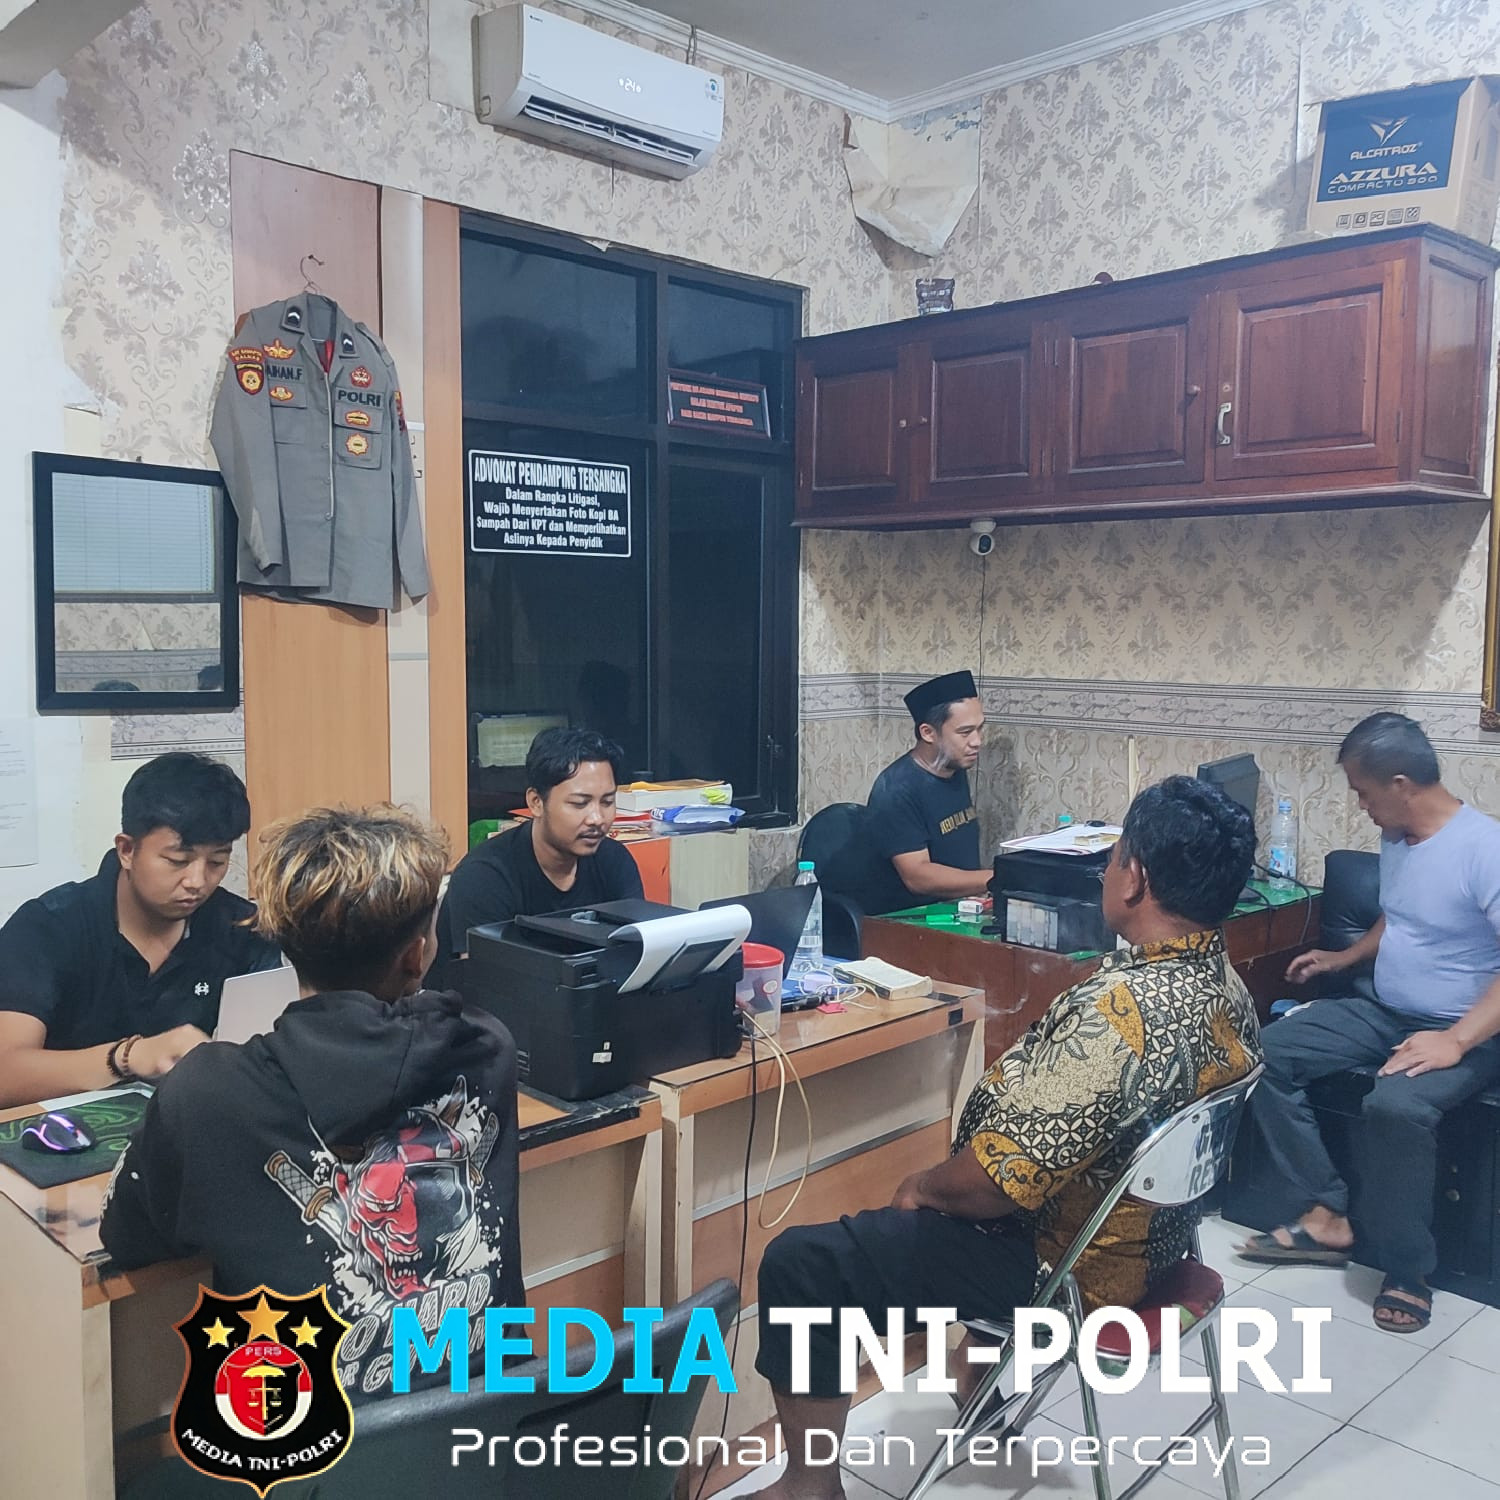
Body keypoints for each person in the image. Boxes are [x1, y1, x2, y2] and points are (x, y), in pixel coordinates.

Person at [753, 776, 1261, 1499]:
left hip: (1068, 1276)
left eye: (1115, 855)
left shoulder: (1121, 1014)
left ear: (1135, 878)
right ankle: (979, 1383)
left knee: (803, 1264)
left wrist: (924, 1187)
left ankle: (807, 1489)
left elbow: (997, 1182)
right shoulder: (1229, 990)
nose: (1108, 870)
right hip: (1158, 1248)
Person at [101, 805, 523, 1401]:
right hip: (491, 1432)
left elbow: (129, 1237)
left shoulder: (207, 1092)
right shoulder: (484, 1048)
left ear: (284, 943)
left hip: (303, 1446)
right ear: (418, 952)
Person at [1237, 712, 1500, 1334]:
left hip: (1468, 1029)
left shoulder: (1484, 850)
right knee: (1264, 1054)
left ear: (1401, 784)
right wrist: (1345, 957)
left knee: (1395, 1106)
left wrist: (1455, 1039)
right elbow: (1400, 917)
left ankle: (1408, 1270)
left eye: (1363, 792)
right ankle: (1328, 1212)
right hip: (1386, 1012)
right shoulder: (1398, 838)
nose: (1360, 806)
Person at [0, 752, 279, 1108]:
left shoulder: (242, 929)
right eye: (177, 861)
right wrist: (128, 1057)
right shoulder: (49, 927)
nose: (197, 881)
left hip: (193, 1127)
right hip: (62, 1133)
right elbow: (6, 1073)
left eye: (217, 861)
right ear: (127, 850)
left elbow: (267, 1060)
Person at [436, 726, 643, 960]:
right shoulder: (484, 875)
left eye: (607, 802)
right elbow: (483, 976)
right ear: (536, 802)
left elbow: (637, 952)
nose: (597, 818)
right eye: (579, 803)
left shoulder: (614, 861)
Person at [823, 670, 992, 917]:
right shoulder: (896, 789)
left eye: (979, 729)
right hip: (908, 920)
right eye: (965, 732)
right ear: (928, 733)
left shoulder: (954, 768)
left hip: (959, 908)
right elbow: (917, 877)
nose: (977, 741)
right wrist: (994, 878)